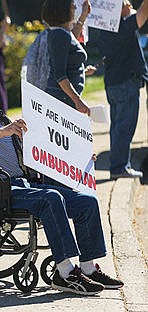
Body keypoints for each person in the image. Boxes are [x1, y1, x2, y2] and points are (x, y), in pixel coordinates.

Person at [0, 67, 124, 295]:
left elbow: (37, 145)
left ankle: (88, 268)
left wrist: (77, 158)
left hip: (25, 182)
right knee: (51, 198)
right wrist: (4, 131)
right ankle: (65, 273)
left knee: (86, 202)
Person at [95, 0, 148, 180]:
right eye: (126, 3)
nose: (130, 5)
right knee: (125, 127)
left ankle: (119, 165)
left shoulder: (106, 31)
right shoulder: (123, 26)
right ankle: (119, 167)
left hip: (113, 84)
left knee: (118, 127)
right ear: (117, 9)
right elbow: (144, 11)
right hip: (126, 84)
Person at [42, 0, 93, 115]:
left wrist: (83, 17)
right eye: (72, 6)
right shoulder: (60, 35)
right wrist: (78, 101)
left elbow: (71, 38)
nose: (75, 8)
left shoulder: (62, 33)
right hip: (62, 100)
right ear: (63, 10)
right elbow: (60, 75)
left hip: (64, 99)